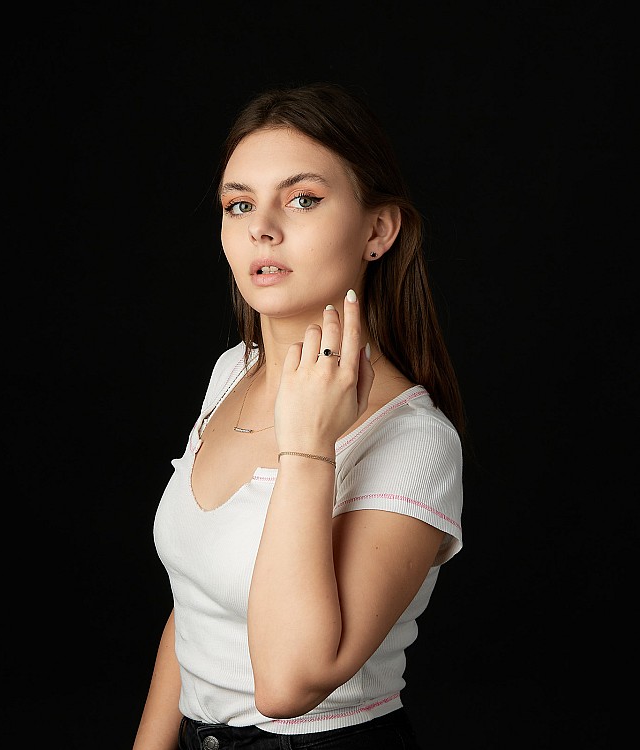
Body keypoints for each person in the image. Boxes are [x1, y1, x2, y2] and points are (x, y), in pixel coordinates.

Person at [132, 81, 465, 750]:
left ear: (378, 230)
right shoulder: (233, 371)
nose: (261, 227)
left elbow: (287, 685)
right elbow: (194, 606)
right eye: (238, 204)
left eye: (303, 199)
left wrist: (308, 451)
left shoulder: (413, 439)